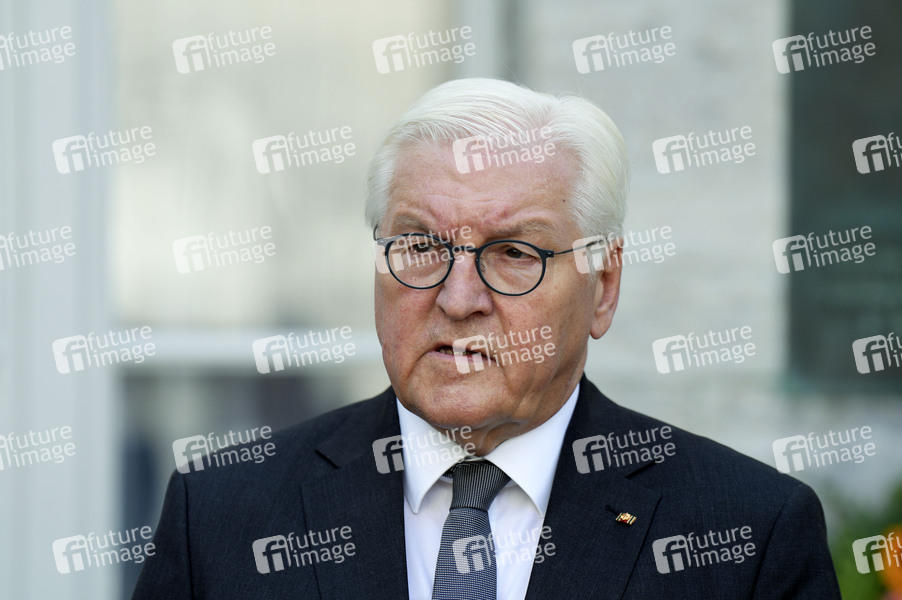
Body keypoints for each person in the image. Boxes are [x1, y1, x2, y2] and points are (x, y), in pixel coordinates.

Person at [132, 78, 841, 599]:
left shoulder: (747, 534)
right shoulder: (223, 515)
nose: (458, 298)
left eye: (513, 253)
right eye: (419, 245)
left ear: (603, 285)